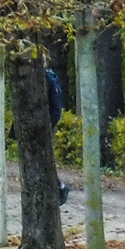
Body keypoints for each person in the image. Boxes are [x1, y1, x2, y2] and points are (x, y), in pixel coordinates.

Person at [43, 68, 70, 205]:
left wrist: (49, 126)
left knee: (45, 161)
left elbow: (56, 108)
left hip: (46, 125)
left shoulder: (49, 79)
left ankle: (60, 187)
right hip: (42, 125)